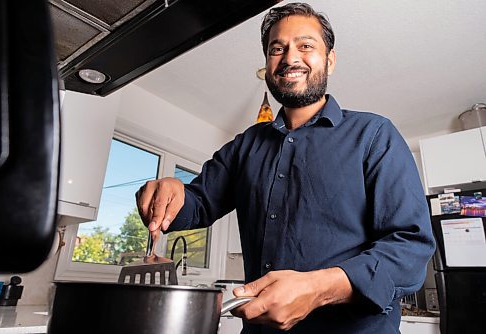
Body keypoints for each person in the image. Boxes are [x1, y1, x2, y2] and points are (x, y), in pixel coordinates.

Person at [135, 2, 436, 333]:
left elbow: (411, 247)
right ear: (267, 66)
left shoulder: (375, 135)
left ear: (330, 60)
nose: (291, 58)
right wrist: (168, 192)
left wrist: (318, 288)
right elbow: (194, 205)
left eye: (305, 45)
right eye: (277, 49)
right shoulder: (243, 147)